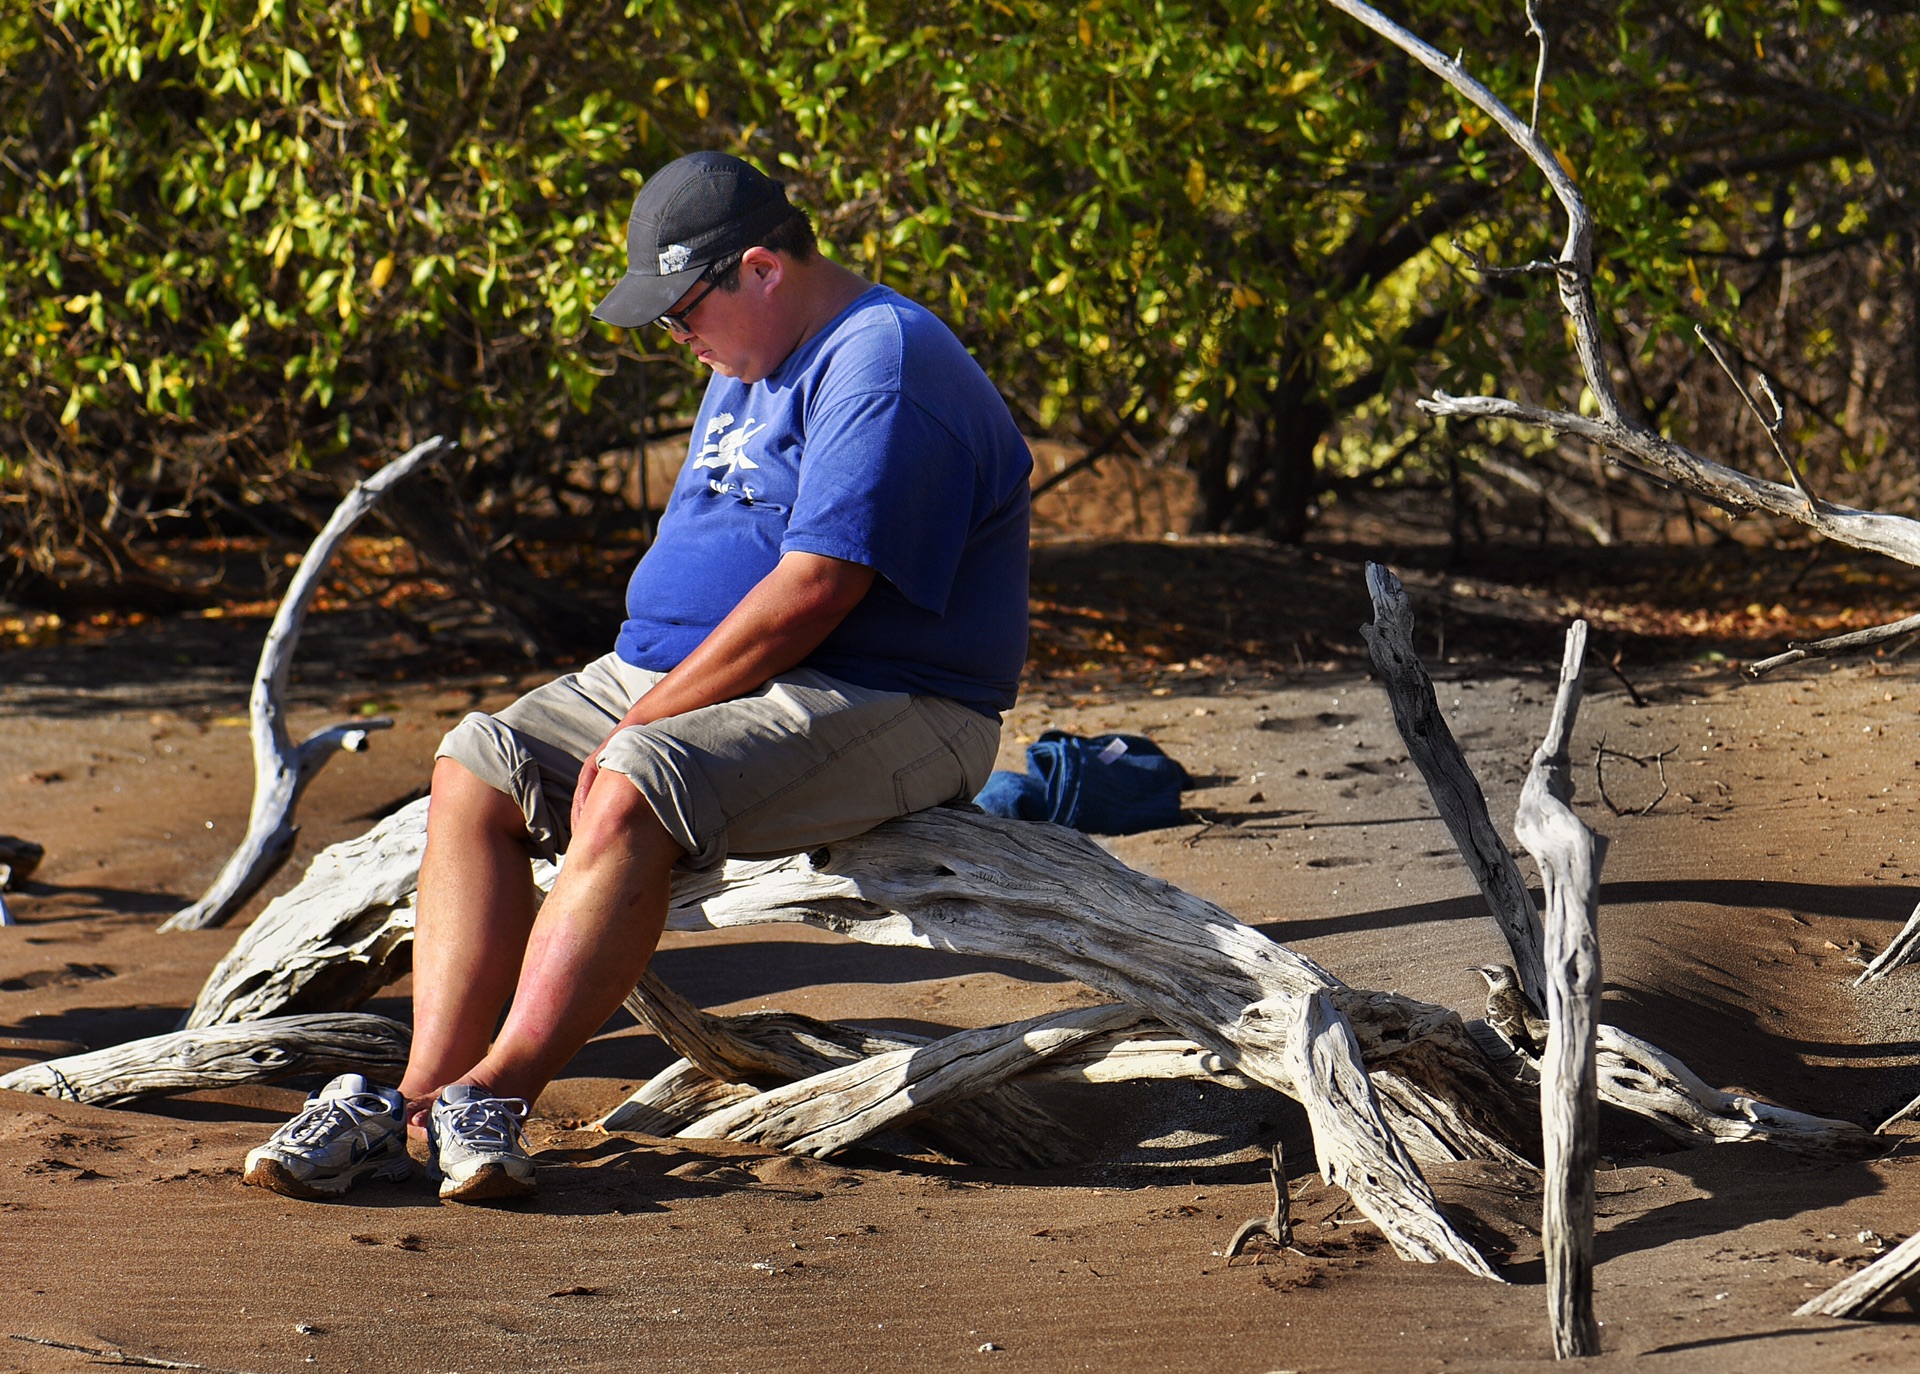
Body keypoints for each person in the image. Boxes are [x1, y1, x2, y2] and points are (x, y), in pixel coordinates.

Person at [241, 151, 1032, 1203]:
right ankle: (421, 1100)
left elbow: (818, 591)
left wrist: (642, 720)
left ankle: (498, 1092)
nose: (676, 338)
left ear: (760, 269)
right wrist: (639, 694)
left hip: (888, 694)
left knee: (633, 777)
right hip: (691, 670)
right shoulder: (747, 356)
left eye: (680, 312)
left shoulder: (880, 360)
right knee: (475, 764)